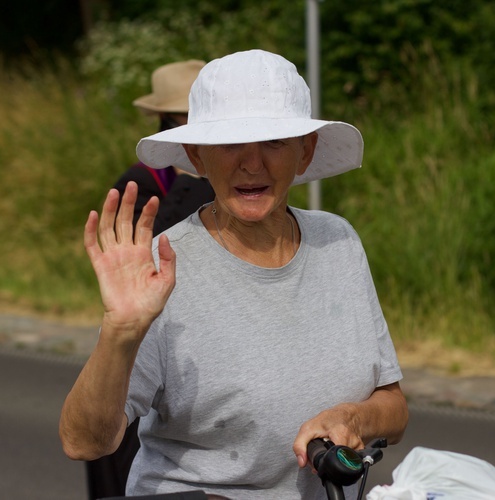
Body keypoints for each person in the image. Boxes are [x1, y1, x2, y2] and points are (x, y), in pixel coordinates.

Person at [60, 49, 409, 499]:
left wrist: (355, 419)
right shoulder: (162, 268)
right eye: (229, 144)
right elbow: (84, 442)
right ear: (196, 156)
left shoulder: (338, 241)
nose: (252, 163)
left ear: (306, 152)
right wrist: (120, 331)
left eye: (274, 142)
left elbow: (394, 408)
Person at [87, 59, 216, 500]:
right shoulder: (142, 181)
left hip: (205, 330)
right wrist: (192, 179)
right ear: (170, 119)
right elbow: (151, 248)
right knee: (124, 454)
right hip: (148, 334)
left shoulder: (227, 173)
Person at [112, 59, 215, 232]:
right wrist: (187, 182)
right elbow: (146, 243)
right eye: (188, 113)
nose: (198, 119)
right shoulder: (140, 180)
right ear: (164, 118)